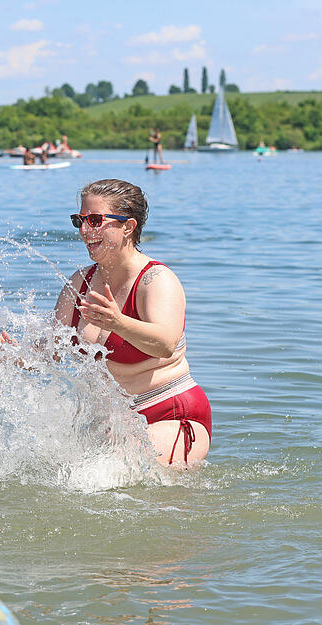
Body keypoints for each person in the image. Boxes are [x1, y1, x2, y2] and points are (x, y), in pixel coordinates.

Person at [53, 180, 211, 467]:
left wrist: (118, 322)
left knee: (103, 478)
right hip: (113, 422)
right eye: (80, 220)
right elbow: (51, 348)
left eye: (95, 220)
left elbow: (165, 344)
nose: (85, 230)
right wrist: (13, 355)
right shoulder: (79, 283)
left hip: (170, 414)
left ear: (128, 226)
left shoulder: (156, 280)